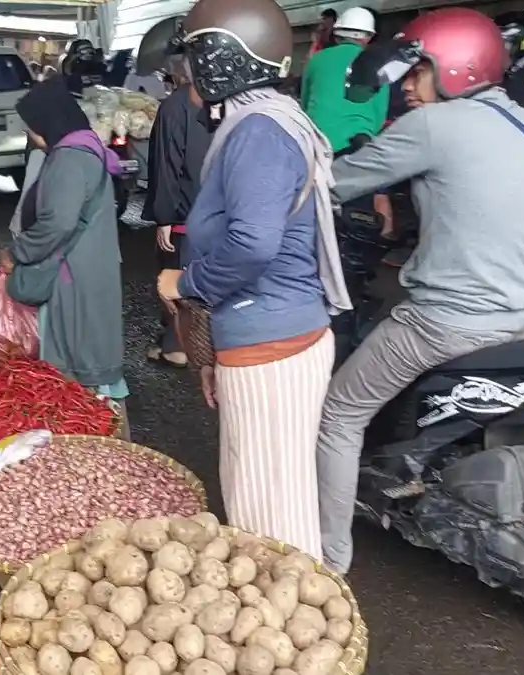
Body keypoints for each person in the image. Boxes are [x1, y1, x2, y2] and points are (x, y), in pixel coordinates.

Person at [316, 7, 524, 574]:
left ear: (457, 68)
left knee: (340, 413)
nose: (408, 85)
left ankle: (326, 558)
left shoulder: (433, 126)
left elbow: (335, 183)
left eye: (418, 71)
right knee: (496, 424)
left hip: (446, 322)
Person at [155, 0, 350, 562]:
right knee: (262, 494)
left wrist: (188, 282)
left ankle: (303, 630)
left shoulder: (259, 132)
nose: (188, 70)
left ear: (221, 58)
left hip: (272, 340)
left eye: (195, 54)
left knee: (271, 516)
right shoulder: (262, 119)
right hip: (265, 335)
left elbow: (254, 245)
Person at [0, 78, 128, 421]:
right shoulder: (87, 147)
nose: (31, 137)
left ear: (48, 123)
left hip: (73, 275)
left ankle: (89, 444)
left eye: (32, 129)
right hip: (89, 266)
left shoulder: (69, 158)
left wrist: (18, 252)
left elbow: (58, 222)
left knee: (78, 363)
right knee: (90, 354)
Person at [142, 54, 212, 368]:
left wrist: (165, 217)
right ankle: (185, 340)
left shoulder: (175, 107)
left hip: (186, 211)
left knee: (175, 276)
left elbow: (167, 165)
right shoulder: (226, 103)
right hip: (219, 209)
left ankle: (177, 344)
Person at [301, 7, 395, 237]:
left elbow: (304, 103)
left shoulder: (317, 59)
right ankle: (379, 247)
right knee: (371, 200)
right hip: (360, 144)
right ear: (369, 37)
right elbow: (380, 114)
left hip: (320, 145)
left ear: (337, 33)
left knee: (314, 205)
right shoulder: (377, 63)